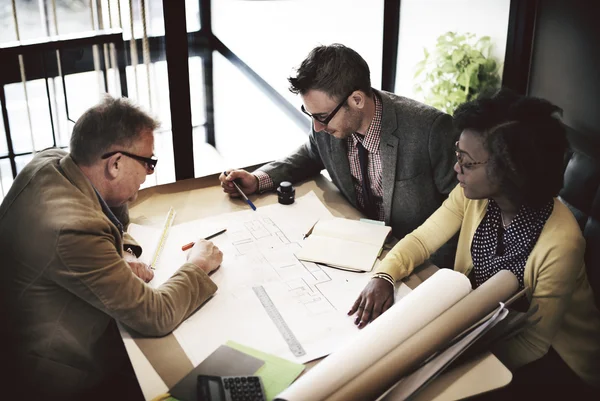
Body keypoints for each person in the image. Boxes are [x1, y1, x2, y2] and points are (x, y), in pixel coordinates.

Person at [350, 89, 600, 397]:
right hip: (481, 328)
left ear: (511, 172)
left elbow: (533, 343)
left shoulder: (562, 243)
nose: (457, 169)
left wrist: (449, 357)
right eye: (458, 155)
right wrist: (385, 275)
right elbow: (423, 238)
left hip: (557, 362)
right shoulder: (474, 197)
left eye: (467, 163)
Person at [0, 96, 223, 400]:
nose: (150, 173)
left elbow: (111, 205)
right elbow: (155, 315)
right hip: (59, 379)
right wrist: (197, 265)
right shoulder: (73, 229)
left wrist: (124, 252)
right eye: (148, 162)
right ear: (115, 163)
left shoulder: (51, 162)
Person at [219, 44, 459, 266]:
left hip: (414, 259)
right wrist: (258, 179)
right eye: (309, 114)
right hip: (355, 245)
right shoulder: (330, 122)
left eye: (321, 117)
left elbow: (462, 210)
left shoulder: (430, 130)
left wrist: (428, 273)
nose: (317, 128)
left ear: (357, 100)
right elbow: (312, 153)